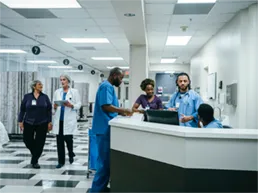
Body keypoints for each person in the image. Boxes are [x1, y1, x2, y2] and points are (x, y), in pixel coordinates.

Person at [89, 67, 133, 193]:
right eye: (121, 78)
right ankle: (96, 191)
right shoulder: (106, 86)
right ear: (114, 75)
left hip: (105, 129)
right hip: (103, 130)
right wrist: (123, 110)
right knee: (104, 164)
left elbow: (110, 107)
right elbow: (106, 106)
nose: (121, 81)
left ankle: (101, 189)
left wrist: (120, 114)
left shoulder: (108, 87)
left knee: (106, 163)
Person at [18, 80, 52, 169]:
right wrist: (20, 121)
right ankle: (35, 154)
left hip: (42, 122)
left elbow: (49, 110)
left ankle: (35, 161)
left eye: (41, 84)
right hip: (29, 122)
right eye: (39, 84)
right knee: (27, 140)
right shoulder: (27, 97)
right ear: (34, 86)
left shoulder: (45, 97)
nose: (41, 85)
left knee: (40, 142)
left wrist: (49, 121)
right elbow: (22, 110)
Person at [52, 74, 81, 169]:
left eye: (64, 79)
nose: (62, 81)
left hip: (69, 120)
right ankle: (61, 161)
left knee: (69, 140)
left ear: (68, 81)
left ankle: (71, 153)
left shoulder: (74, 92)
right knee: (59, 142)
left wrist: (71, 105)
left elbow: (79, 104)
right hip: (59, 120)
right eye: (61, 80)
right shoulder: (57, 92)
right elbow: (54, 104)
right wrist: (55, 106)